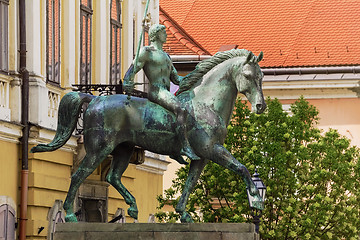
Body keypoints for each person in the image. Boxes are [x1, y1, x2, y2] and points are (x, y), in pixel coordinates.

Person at [123, 24, 200, 163]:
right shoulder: (147, 52)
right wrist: (127, 80)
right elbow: (133, 69)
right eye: (163, 32)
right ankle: (184, 146)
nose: (166, 34)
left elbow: (176, 79)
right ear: (156, 34)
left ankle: (174, 148)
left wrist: (196, 77)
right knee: (181, 110)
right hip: (157, 91)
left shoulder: (166, 56)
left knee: (188, 109)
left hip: (166, 91)